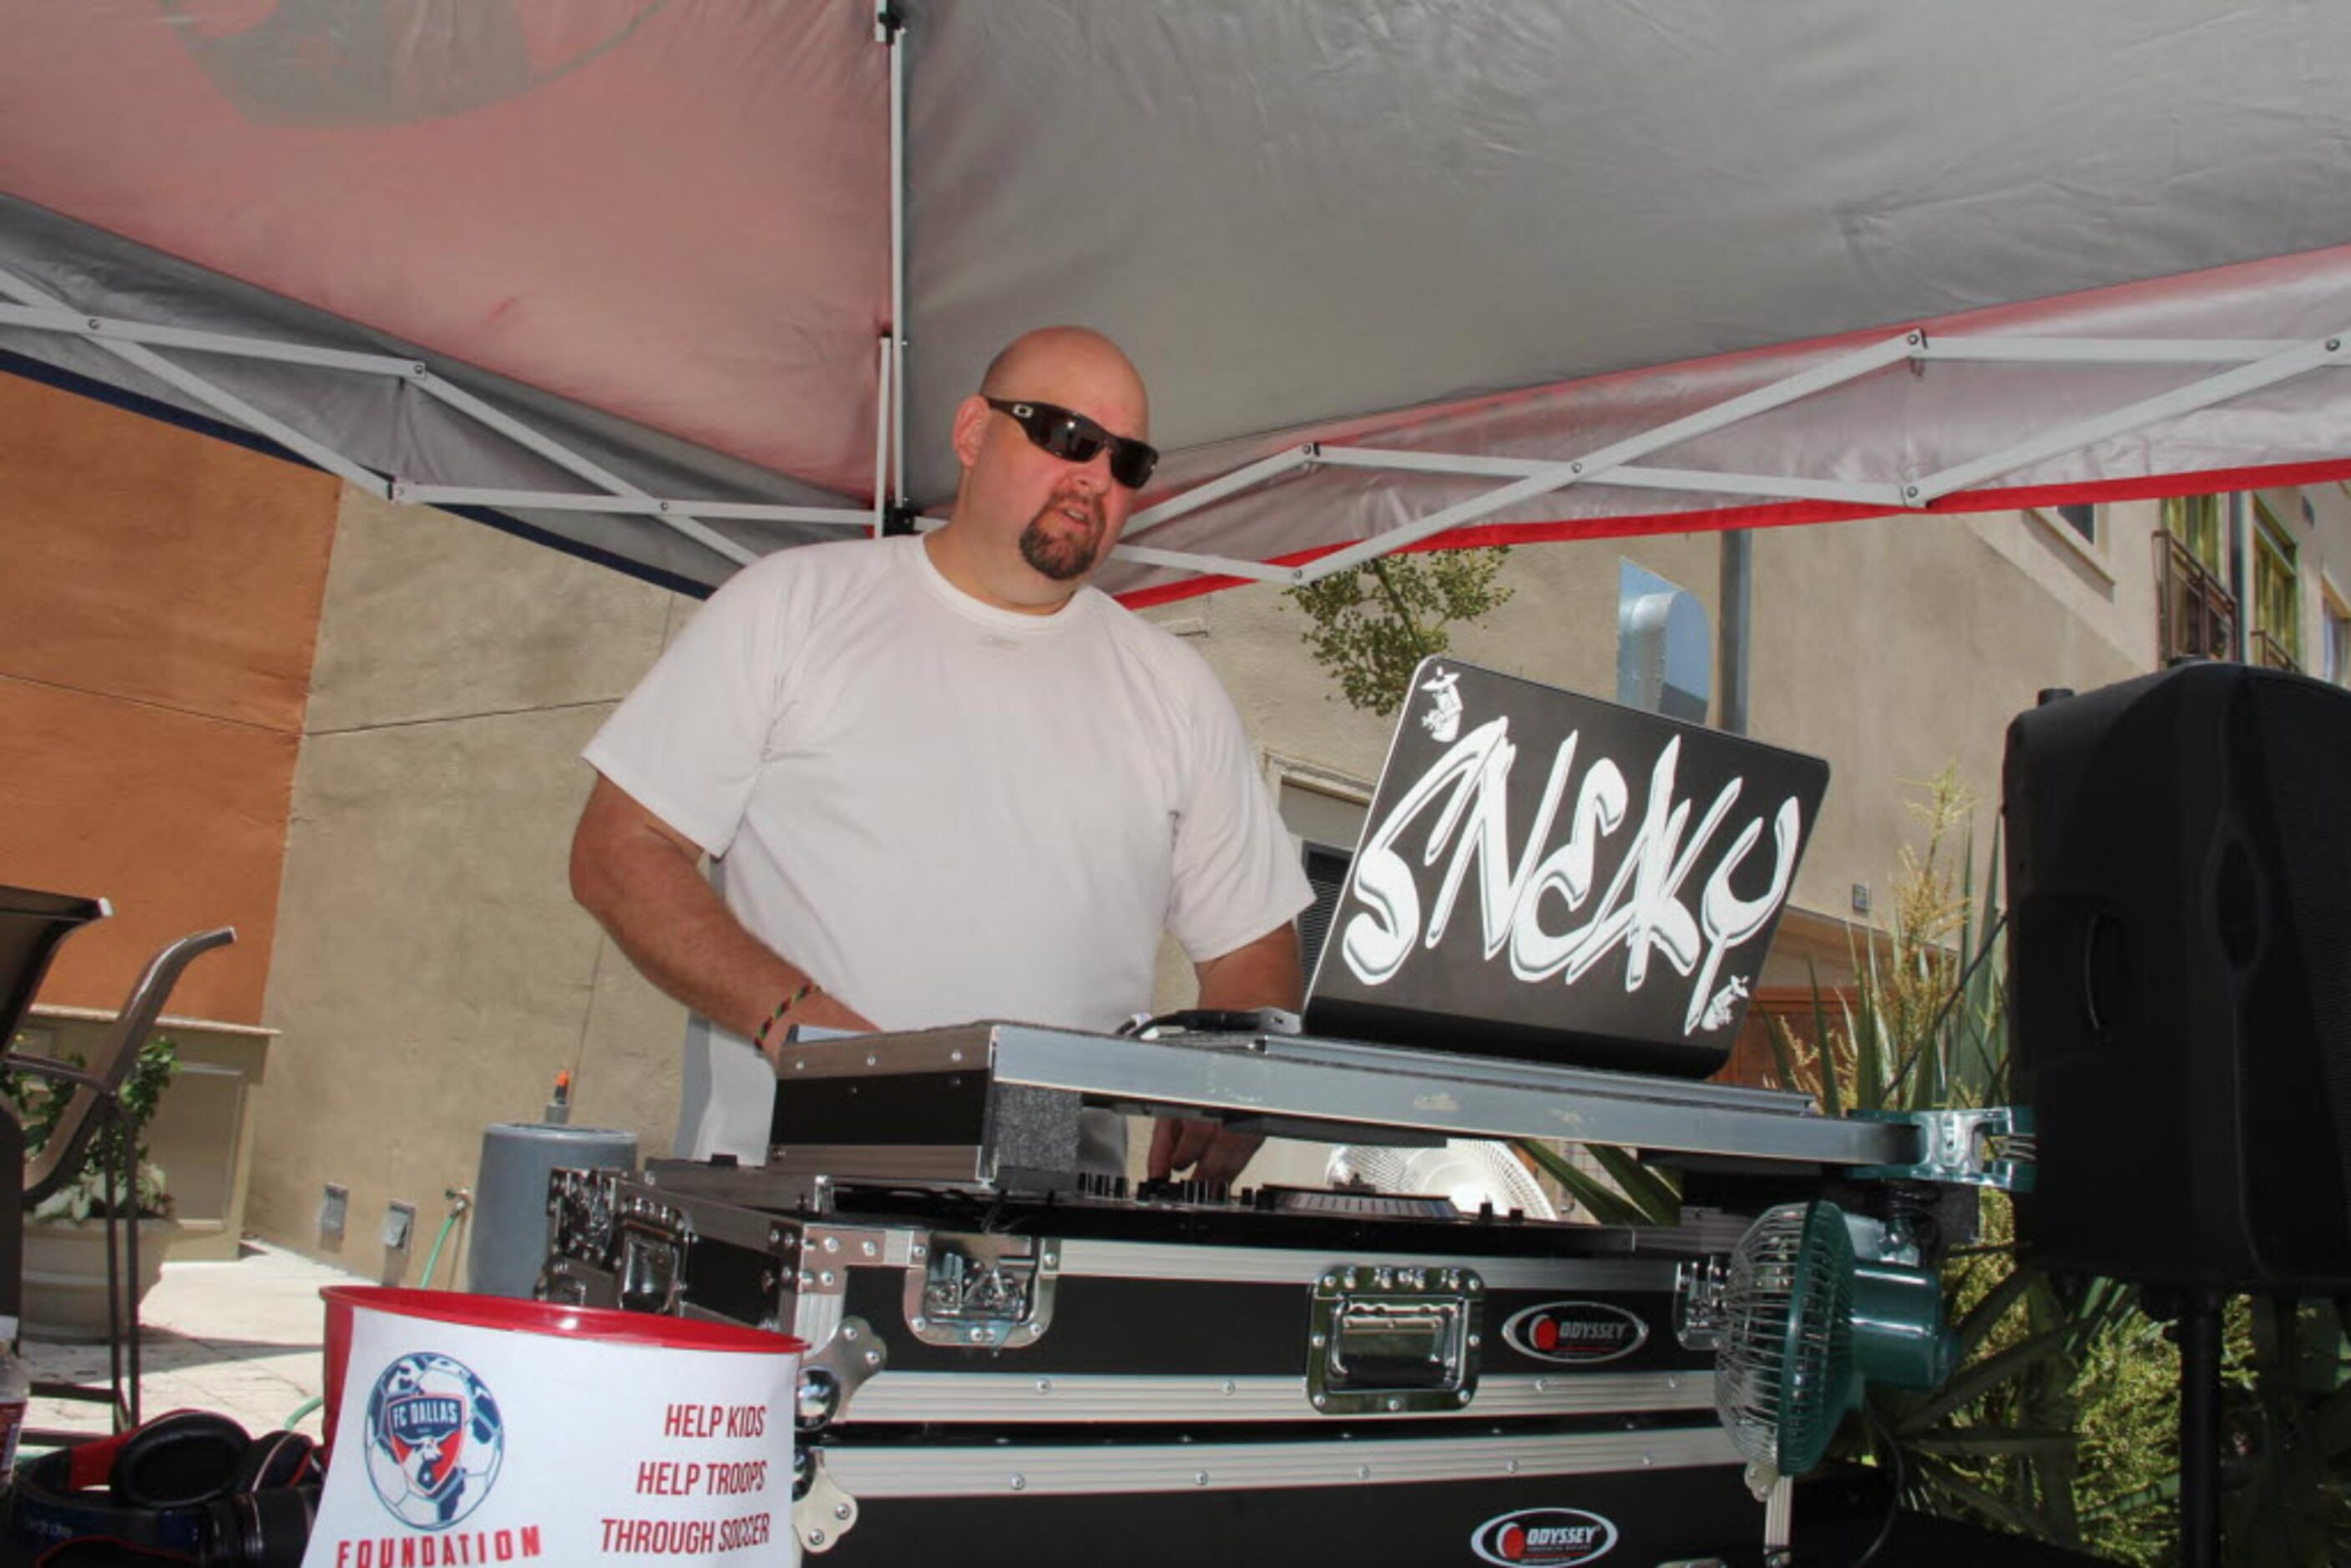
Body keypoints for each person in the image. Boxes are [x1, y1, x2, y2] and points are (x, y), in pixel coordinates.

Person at [569, 326, 1312, 1186]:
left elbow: (1252, 945)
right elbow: (619, 851)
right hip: (794, 1187)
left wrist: (1226, 1081)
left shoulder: (1174, 687)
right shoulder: (793, 605)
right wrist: (817, 1042)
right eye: (1065, 436)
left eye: (1126, 461)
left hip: (1056, 1206)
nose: (1094, 477)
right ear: (970, 432)